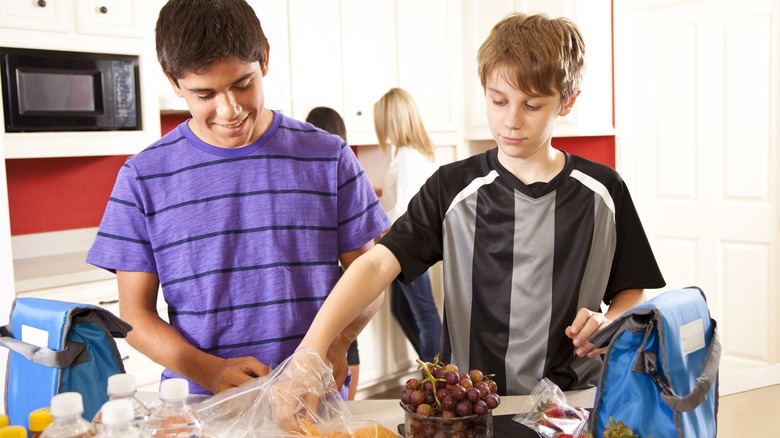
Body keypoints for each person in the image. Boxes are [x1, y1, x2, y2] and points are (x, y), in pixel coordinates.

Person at [295, 12, 665, 396]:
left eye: (532, 105)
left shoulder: (605, 190)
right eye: (498, 101)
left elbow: (631, 287)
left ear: (567, 102)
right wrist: (312, 349)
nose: (511, 120)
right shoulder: (451, 186)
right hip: (470, 404)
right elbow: (376, 263)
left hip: (574, 402)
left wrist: (610, 321)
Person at [86, 0, 390, 396]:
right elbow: (134, 316)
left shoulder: (328, 156)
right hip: (200, 403)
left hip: (309, 395)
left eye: (242, 84)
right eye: (204, 93)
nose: (229, 110)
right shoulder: (143, 177)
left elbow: (369, 277)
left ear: (264, 57)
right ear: (174, 81)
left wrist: (336, 343)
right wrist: (207, 370)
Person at [373, 88, 442, 362]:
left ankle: (434, 376)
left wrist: (372, 218)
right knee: (402, 311)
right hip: (413, 247)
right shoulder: (414, 155)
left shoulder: (406, 159)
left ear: (393, 120)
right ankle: (430, 368)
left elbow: (401, 211)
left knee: (425, 315)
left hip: (406, 248)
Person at [304, 106, 361, 401]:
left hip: (341, 281)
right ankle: (349, 401)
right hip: (340, 279)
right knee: (348, 348)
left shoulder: (335, 158)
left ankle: (347, 403)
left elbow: (369, 270)